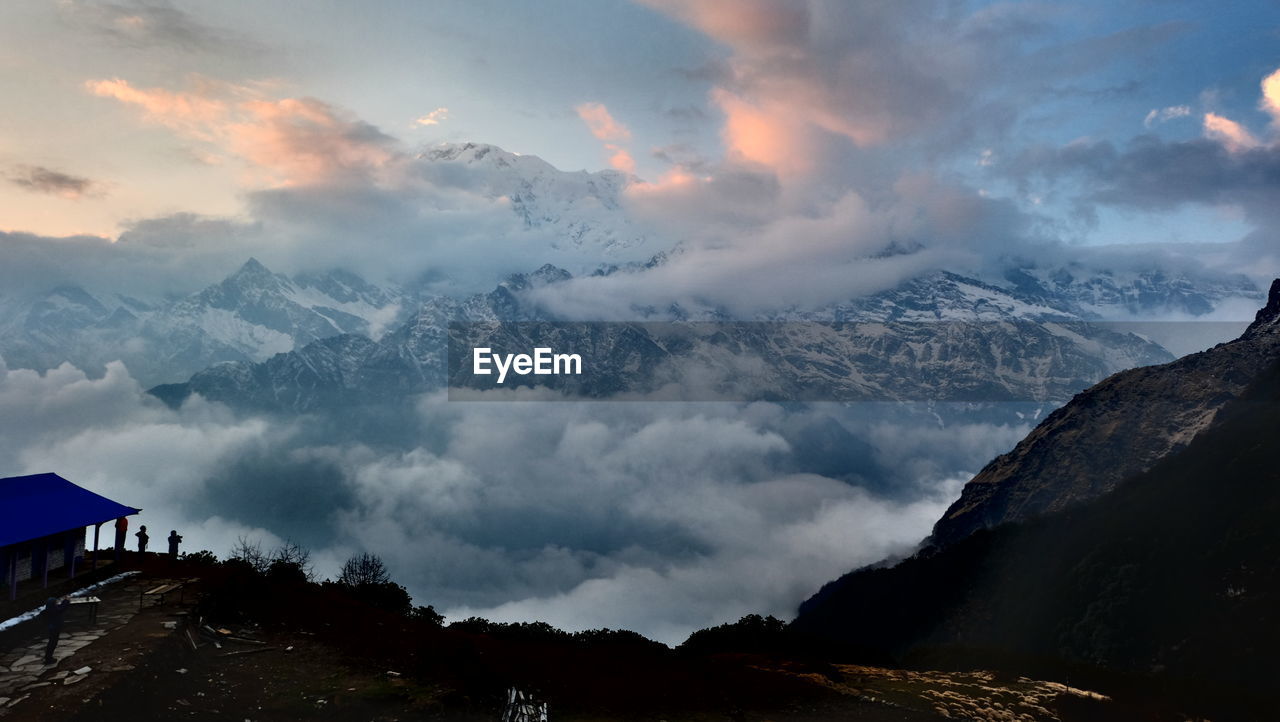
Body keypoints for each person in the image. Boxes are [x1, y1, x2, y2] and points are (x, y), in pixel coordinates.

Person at [43, 596, 70, 664]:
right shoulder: (55, 610)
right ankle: (48, 659)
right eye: (55, 602)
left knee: (52, 643)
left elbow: (60, 607)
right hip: (55, 628)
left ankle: (48, 657)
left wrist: (65, 600)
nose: (57, 603)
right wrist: (66, 600)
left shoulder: (50, 609)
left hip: (52, 628)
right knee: (52, 643)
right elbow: (63, 608)